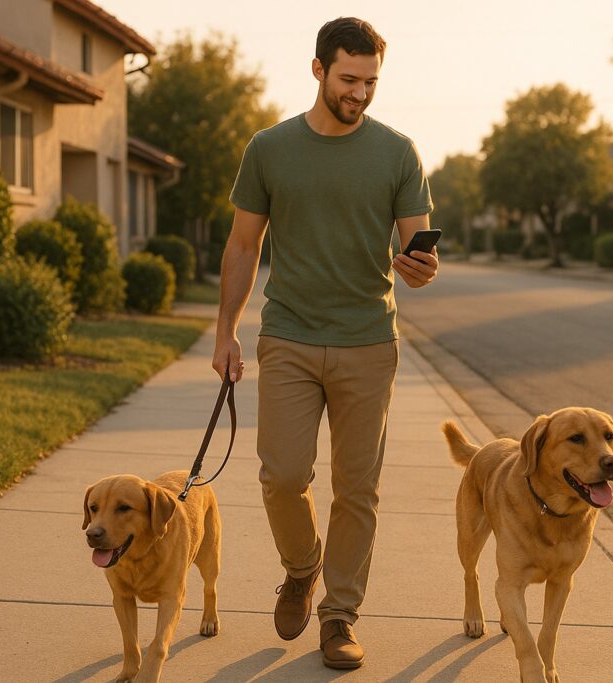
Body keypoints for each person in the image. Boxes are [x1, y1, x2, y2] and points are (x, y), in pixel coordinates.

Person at [211, 16, 438, 671]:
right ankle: (301, 566)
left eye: (370, 82)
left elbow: (418, 248)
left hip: (369, 341)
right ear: (318, 69)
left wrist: (421, 268)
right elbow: (244, 245)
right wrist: (225, 332)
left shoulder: (398, 152)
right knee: (282, 475)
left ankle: (339, 615)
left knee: (356, 489)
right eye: (348, 79)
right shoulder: (270, 148)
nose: (359, 93)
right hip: (289, 334)